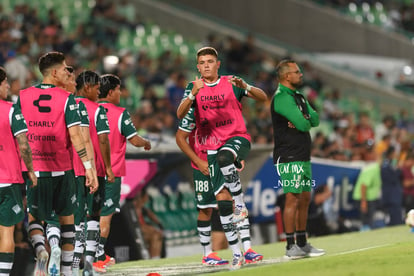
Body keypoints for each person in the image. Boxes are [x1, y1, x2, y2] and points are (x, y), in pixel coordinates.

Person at [177, 47, 267, 269]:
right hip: (208, 152)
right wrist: (192, 94)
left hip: (234, 141)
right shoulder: (193, 90)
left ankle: (246, 239)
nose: (206, 65)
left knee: (227, 171)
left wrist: (246, 86)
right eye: (202, 62)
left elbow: (264, 98)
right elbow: (180, 119)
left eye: (210, 61)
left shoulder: (231, 83)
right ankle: (236, 252)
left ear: (218, 64)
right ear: (197, 67)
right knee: (219, 205)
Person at [17, 51, 96, 276]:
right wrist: (88, 167)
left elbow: (19, 136)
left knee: (34, 218)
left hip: (35, 171)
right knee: (67, 222)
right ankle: (67, 273)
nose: (66, 72)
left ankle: (41, 249)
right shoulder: (66, 98)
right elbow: (76, 136)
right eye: (64, 69)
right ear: (54, 73)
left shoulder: (22, 96)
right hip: (61, 169)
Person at [176, 107, 263, 266]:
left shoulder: (221, 109)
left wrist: (236, 156)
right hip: (201, 166)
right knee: (205, 208)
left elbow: (231, 136)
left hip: (222, 162)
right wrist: (197, 161)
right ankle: (207, 253)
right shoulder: (193, 112)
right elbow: (180, 138)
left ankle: (247, 249)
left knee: (234, 201)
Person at [95, 74, 151, 267]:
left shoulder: (87, 110)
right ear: (110, 92)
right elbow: (134, 140)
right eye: (118, 89)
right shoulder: (119, 113)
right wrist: (146, 143)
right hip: (111, 173)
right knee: (105, 215)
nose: (121, 93)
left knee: (88, 216)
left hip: (88, 173)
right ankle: (99, 255)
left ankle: (82, 256)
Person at [270, 59, 325, 259]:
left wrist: (304, 119)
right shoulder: (282, 98)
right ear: (287, 76)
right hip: (289, 155)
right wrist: (303, 119)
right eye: (297, 72)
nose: (301, 75)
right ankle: (290, 245)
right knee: (292, 198)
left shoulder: (299, 96)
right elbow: (303, 124)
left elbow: (315, 119)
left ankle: (302, 243)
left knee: (304, 198)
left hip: (302, 155)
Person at [74, 70, 115, 274]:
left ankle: (73, 260)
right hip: (94, 169)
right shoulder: (97, 110)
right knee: (93, 216)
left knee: (73, 217)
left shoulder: (68, 106)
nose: (100, 92)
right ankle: (89, 262)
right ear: (88, 87)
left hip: (71, 169)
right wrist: (107, 167)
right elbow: (103, 139)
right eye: (98, 88)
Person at [0, 66, 37, 275]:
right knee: (7, 231)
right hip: (7, 181)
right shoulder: (12, 109)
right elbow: (23, 144)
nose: (7, 86)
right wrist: (30, 170)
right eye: (5, 82)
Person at [352, 146, 382, 231]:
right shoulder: (372, 169)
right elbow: (363, 186)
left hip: (369, 198)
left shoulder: (375, 168)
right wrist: (363, 202)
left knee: (370, 222)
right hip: (363, 198)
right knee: (367, 222)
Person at [133, 188, 164, 259]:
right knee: (155, 235)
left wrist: (159, 223)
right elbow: (136, 224)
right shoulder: (135, 207)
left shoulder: (142, 208)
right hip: (136, 231)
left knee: (157, 235)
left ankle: (155, 257)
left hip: (143, 229)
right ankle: (153, 258)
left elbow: (150, 214)